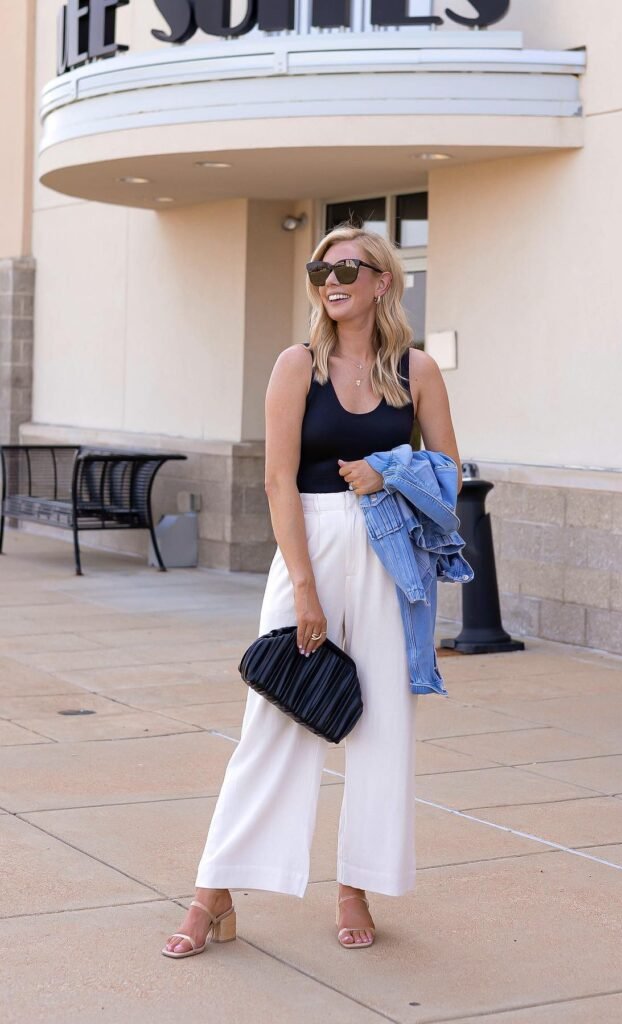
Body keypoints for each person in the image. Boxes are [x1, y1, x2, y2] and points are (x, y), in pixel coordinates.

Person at [162, 225, 463, 958]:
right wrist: (303, 589)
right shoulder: (297, 366)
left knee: (381, 726)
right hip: (312, 548)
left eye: (347, 269)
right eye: (319, 268)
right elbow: (276, 480)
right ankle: (215, 891)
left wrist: (387, 469)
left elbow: (451, 473)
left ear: (381, 282)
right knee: (273, 723)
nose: (331, 280)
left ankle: (355, 884)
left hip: (390, 563)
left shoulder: (415, 369)